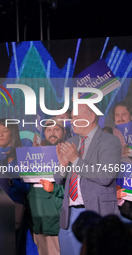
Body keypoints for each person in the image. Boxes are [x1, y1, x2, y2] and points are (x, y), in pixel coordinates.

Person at [54, 104, 121, 255]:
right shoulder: (71, 141)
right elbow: (58, 180)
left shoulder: (110, 142)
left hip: (97, 213)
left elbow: (106, 177)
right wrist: (63, 166)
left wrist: (75, 159)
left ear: (91, 117)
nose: (71, 121)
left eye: (76, 118)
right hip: (69, 216)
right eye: (72, 118)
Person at [0, 118, 29, 255]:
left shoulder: (22, 156)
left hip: (15, 212)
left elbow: (27, 188)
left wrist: (10, 180)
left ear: (12, 134)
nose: (0, 135)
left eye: (4, 131)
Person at [28, 118, 65, 255]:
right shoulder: (33, 155)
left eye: (56, 129)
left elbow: (75, 189)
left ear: (64, 131)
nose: (52, 133)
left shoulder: (69, 155)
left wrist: (54, 189)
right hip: (37, 221)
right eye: (48, 130)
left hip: (56, 224)